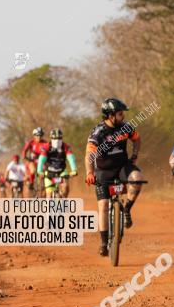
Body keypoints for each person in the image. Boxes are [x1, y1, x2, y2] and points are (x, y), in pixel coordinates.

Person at [84, 98, 145, 256]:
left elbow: (137, 139)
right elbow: (89, 155)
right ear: (110, 115)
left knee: (137, 177)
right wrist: (90, 172)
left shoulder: (126, 128)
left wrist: (134, 155)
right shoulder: (98, 132)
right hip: (104, 170)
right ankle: (104, 243)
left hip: (122, 167)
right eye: (119, 113)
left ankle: (126, 210)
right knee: (103, 205)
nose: (122, 116)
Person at [37, 129, 78, 197]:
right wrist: (39, 171)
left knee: (66, 187)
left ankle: (63, 202)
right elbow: (41, 160)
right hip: (49, 172)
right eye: (55, 138)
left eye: (59, 138)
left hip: (62, 171)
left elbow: (71, 159)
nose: (57, 140)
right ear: (51, 138)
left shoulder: (65, 147)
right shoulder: (46, 147)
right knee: (49, 196)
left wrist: (74, 170)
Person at [21, 127, 48, 194]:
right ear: (34, 136)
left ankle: (44, 185)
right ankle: (31, 182)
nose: (39, 137)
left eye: (41, 135)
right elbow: (24, 150)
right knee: (32, 171)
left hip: (42, 161)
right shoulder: (31, 142)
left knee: (45, 172)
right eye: (37, 135)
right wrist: (24, 156)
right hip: (32, 160)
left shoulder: (45, 143)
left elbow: (49, 151)